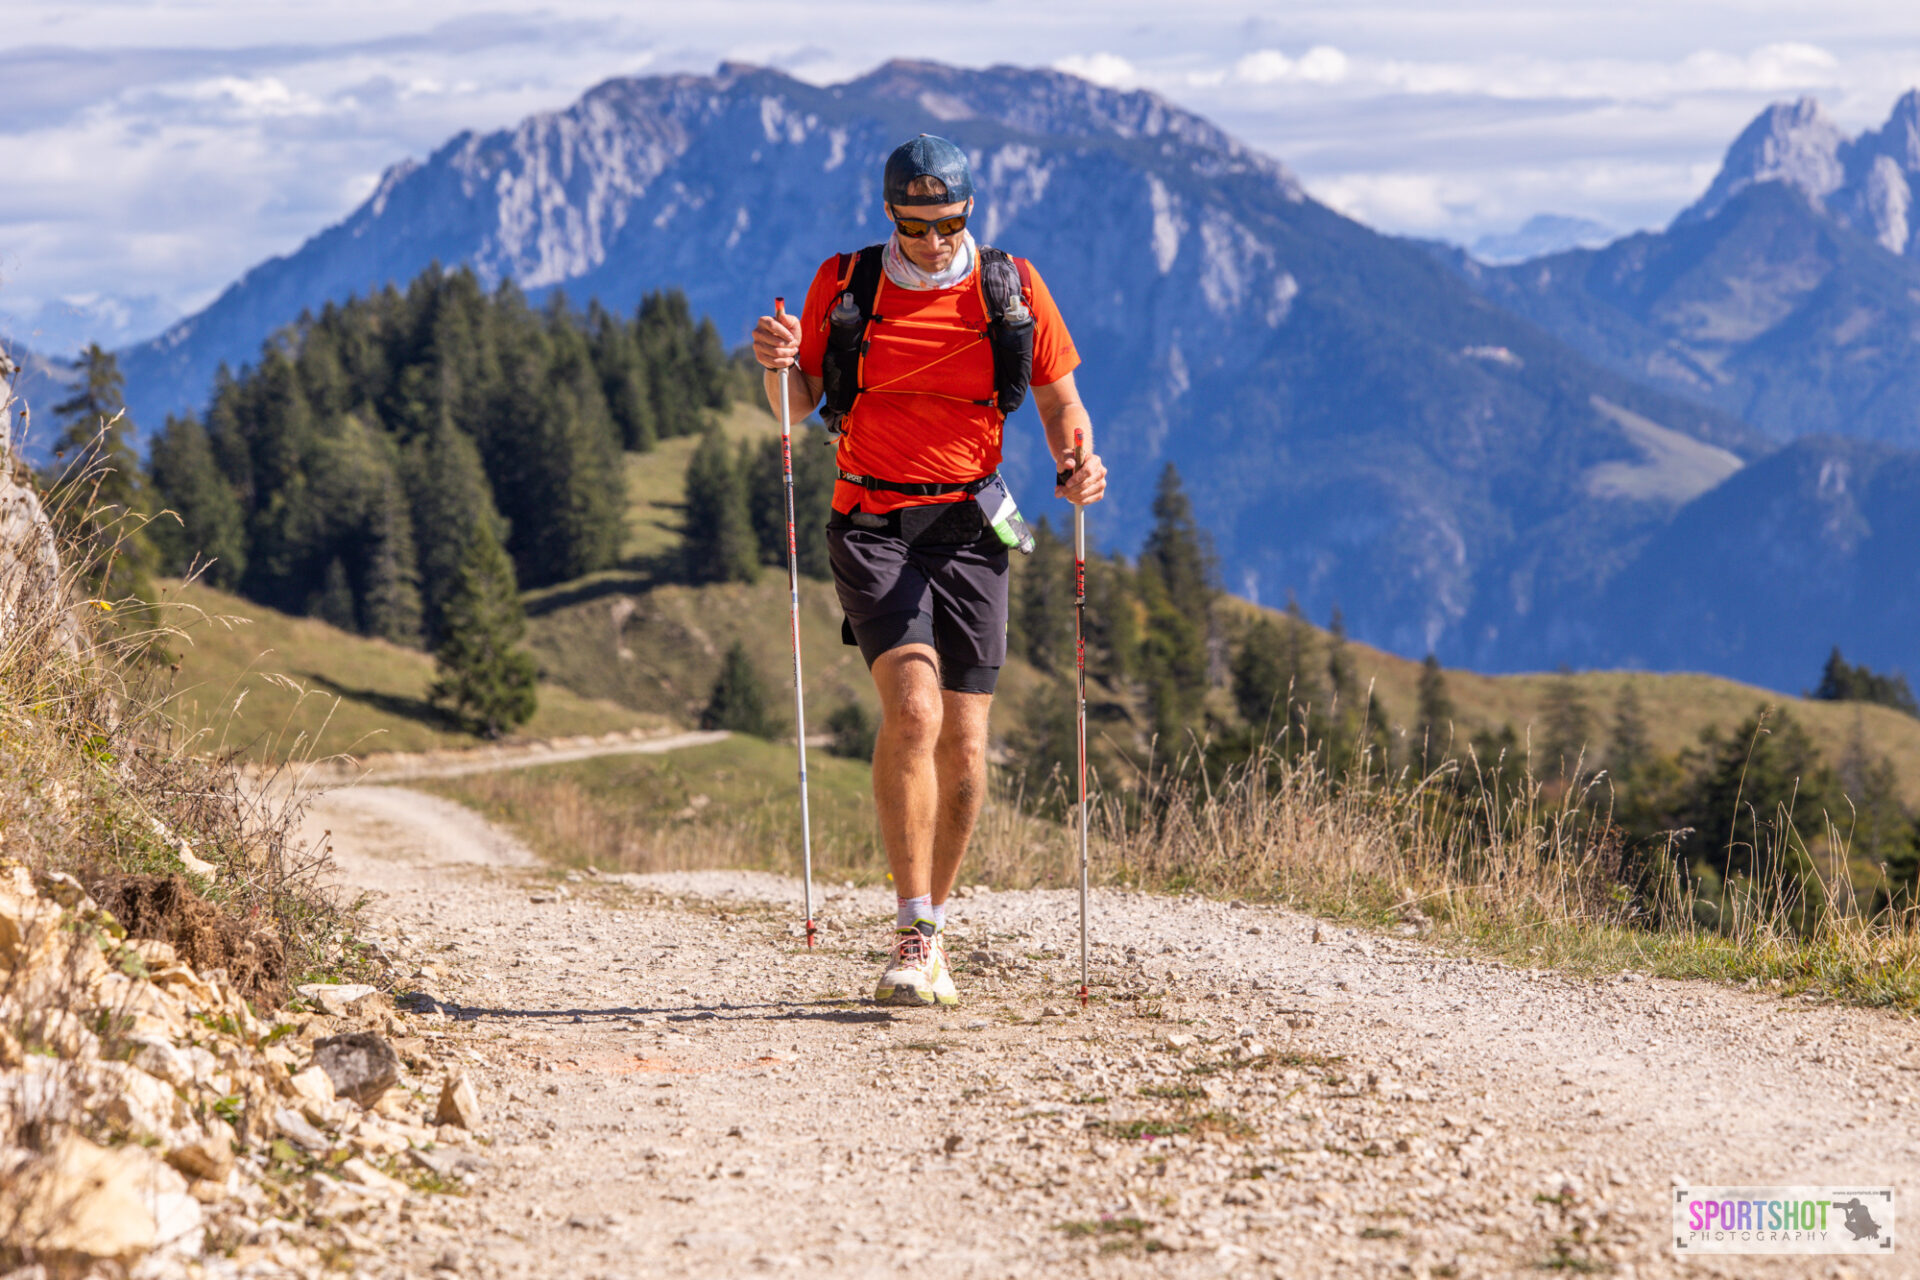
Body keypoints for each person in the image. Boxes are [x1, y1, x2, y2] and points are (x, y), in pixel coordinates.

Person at [753, 134, 1107, 1006]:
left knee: (968, 746)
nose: (935, 240)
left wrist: (1079, 462)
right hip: (870, 519)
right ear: (891, 216)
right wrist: (775, 363)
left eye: (949, 222)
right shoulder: (846, 283)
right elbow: (797, 407)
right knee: (914, 710)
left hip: (976, 524)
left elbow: (1062, 399)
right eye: (917, 226)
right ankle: (911, 934)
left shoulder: (1010, 288)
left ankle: (936, 929)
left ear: (969, 212)